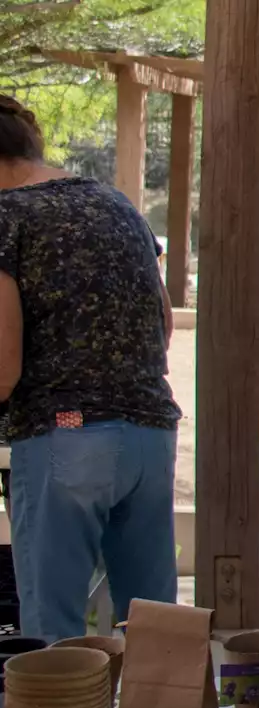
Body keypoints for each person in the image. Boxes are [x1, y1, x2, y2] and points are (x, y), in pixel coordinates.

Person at [0, 94, 180, 641]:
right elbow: (164, 323)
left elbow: (2, 364)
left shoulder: (7, 217)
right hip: (151, 433)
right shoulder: (117, 202)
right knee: (156, 630)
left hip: (65, 440)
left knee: (54, 641)